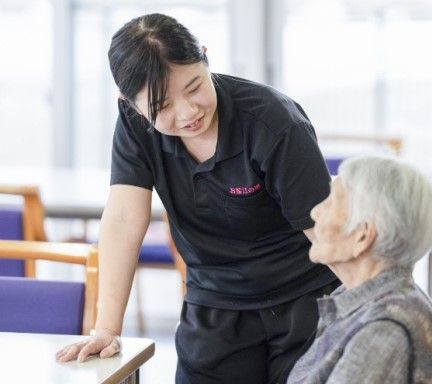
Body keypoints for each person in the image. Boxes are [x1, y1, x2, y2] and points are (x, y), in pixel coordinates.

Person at [55, 13, 338, 384]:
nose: (188, 113)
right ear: (130, 103)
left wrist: (379, 311)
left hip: (307, 299)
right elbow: (124, 218)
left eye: (193, 87)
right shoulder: (135, 125)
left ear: (205, 57)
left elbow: (328, 233)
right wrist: (106, 329)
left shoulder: (273, 122)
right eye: (162, 107)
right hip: (215, 304)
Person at [287, 156, 432, 384]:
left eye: (330, 202)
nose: (316, 212)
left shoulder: (384, 332)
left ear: (363, 236)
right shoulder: (372, 301)